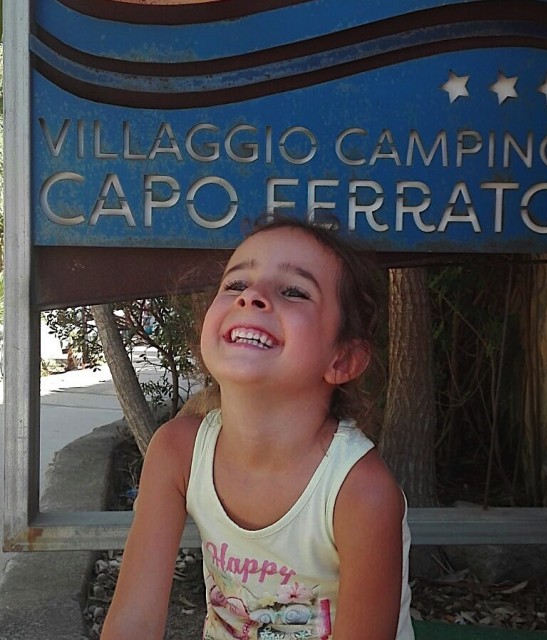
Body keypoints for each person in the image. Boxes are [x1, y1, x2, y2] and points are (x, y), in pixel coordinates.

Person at [101, 217, 414, 640]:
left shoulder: (360, 492)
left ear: (342, 359)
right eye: (236, 284)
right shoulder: (177, 452)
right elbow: (132, 623)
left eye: (294, 291)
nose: (252, 296)